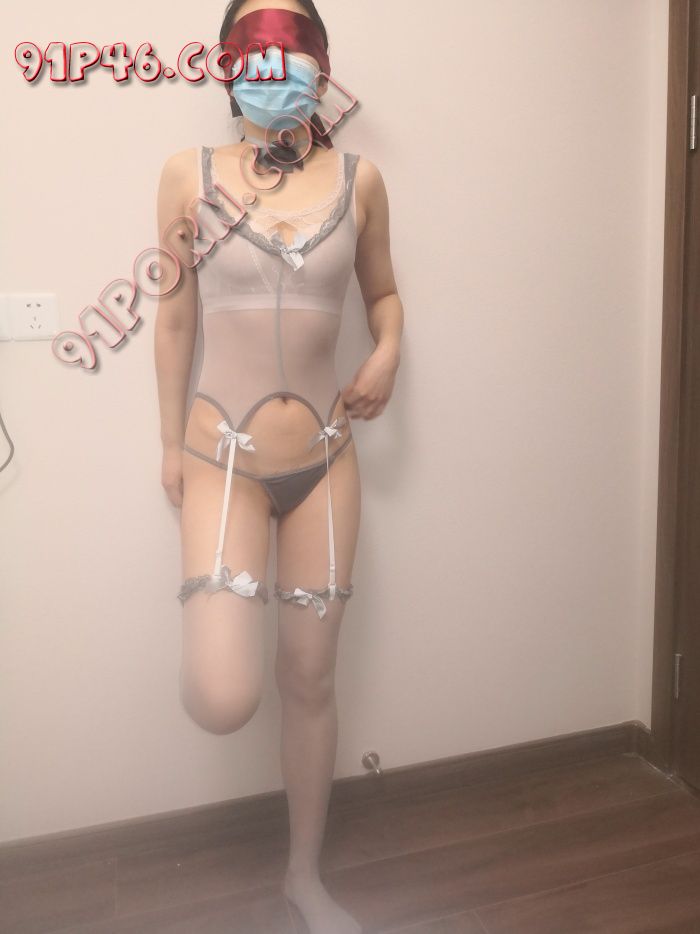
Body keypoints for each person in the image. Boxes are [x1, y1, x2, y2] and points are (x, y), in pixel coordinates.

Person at [154, 1, 403, 930]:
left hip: (326, 463)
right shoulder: (187, 175)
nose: (275, 60)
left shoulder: (362, 180)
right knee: (225, 697)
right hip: (221, 454)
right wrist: (166, 444)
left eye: (294, 44)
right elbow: (173, 315)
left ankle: (305, 875)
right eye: (256, 45)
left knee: (311, 678)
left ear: (320, 64)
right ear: (228, 64)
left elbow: (384, 295)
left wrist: (389, 350)